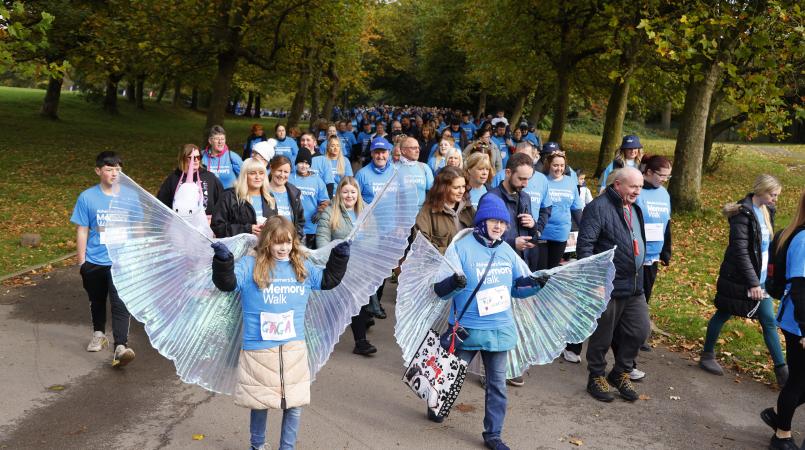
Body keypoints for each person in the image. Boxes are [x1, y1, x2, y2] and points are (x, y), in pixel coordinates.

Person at [210, 216, 350, 450]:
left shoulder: (301, 265)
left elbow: (328, 280)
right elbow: (227, 283)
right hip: (259, 348)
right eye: (277, 243)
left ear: (294, 241)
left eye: (287, 242)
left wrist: (340, 257)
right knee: (260, 402)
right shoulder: (249, 265)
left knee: (294, 405)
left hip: (293, 347)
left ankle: (287, 447)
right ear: (267, 242)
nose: (283, 248)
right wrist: (222, 262)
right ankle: (257, 445)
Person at [429, 193, 544, 449]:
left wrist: (535, 285)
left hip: (499, 330)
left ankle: (493, 435)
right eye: (494, 221)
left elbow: (517, 288)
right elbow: (440, 291)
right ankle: (436, 404)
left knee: (497, 386)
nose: (499, 227)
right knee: (449, 377)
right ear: (482, 220)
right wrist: (453, 282)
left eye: (503, 223)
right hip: (466, 330)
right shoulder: (460, 247)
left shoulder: (506, 251)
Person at [699, 174, 788, 386]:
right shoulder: (742, 214)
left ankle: (782, 372)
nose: (775, 199)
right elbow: (741, 251)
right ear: (761, 191)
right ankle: (707, 355)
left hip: (761, 277)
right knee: (724, 311)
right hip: (740, 277)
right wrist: (753, 283)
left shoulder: (767, 211)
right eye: (773, 195)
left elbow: (764, 248)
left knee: (768, 319)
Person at [578, 167, 650, 403]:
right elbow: (585, 247)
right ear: (618, 184)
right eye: (633, 186)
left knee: (639, 330)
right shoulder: (598, 208)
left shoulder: (635, 208)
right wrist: (594, 280)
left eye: (640, 187)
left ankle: (620, 372)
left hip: (634, 284)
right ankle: (596, 375)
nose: (637, 191)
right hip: (607, 284)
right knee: (603, 334)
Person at [71, 151, 135, 367]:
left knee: (120, 303)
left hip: (122, 262)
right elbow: (82, 230)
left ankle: (121, 346)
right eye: (109, 169)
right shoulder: (87, 197)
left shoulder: (130, 196)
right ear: (98, 171)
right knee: (97, 300)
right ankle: (99, 334)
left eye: (118, 168)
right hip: (95, 261)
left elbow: (138, 229)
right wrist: (82, 262)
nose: (114, 173)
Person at [763, 190, 805, 450]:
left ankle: (778, 416)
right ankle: (781, 435)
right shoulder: (803, 239)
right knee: (798, 380)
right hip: (799, 322)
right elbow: (801, 289)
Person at [316, 177, 376, 356]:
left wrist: (360, 245)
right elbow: (322, 240)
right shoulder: (329, 212)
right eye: (345, 192)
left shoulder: (366, 212)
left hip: (360, 266)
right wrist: (329, 262)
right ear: (339, 193)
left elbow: (375, 239)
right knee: (333, 305)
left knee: (358, 302)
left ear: (357, 193)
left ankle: (361, 342)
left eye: (353, 192)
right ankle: (324, 340)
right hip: (337, 266)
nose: (349, 195)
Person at [157, 144, 224, 225]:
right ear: (183, 159)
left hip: (206, 228)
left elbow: (222, 203)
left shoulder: (209, 177)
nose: (195, 160)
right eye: (191, 158)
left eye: (198, 157)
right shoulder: (174, 178)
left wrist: (214, 223)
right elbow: (161, 205)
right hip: (180, 228)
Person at [211, 158, 279, 238]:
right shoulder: (229, 196)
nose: (258, 177)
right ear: (245, 175)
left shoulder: (269, 197)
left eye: (261, 173)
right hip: (237, 249)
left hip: (264, 248)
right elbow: (217, 227)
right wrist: (247, 229)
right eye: (253, 173)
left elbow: (276, 225)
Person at [415, 166, 475, 254]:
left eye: (463, 186)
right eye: (456, 187)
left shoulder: (468, 208)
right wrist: (453, 252)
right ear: (443, 188)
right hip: (441, 265)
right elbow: (421, 246)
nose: (461, 191)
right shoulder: (427, 212)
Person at [289, 148, 330, 249]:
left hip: (311, 227)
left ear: (310, 165)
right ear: (296, 163)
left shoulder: (317, 180)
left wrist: (320, 211)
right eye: (301, 162)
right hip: (291, 225)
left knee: (309, 256)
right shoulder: (289, 178)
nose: (304, 166)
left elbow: (325, 200)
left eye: (307, 163)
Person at [265, 156, 305, 238]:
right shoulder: (262, 191)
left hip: (289, 243)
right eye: (279, 170)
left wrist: (296, 238)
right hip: (268, 241)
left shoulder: (294, 193)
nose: (282, 175)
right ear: (272, 169)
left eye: (286, 172)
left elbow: (300, 221)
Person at [396, 137, 434, 208]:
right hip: (400, 213)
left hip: (421, 214)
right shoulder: (393, 168)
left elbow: (432, 192)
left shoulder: (424, 167)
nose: (417, 150)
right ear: (403, 151)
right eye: (413, 148)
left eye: (418, 148)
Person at [356, 137, 395, 205]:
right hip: (369, 214)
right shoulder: (361, 174)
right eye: (377, 152)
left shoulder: (396, 171)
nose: (380, 156)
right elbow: (355, 200)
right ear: (371, 153)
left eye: (383, 152)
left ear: (389, 153)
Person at [202, 125, 243, 190]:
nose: (220, 142)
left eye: (222, 139)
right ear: (210, 141)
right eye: (217, 139)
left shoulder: (232, 157)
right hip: (208, 197)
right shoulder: (201, 156)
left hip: (228, 197)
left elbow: (245, 176)